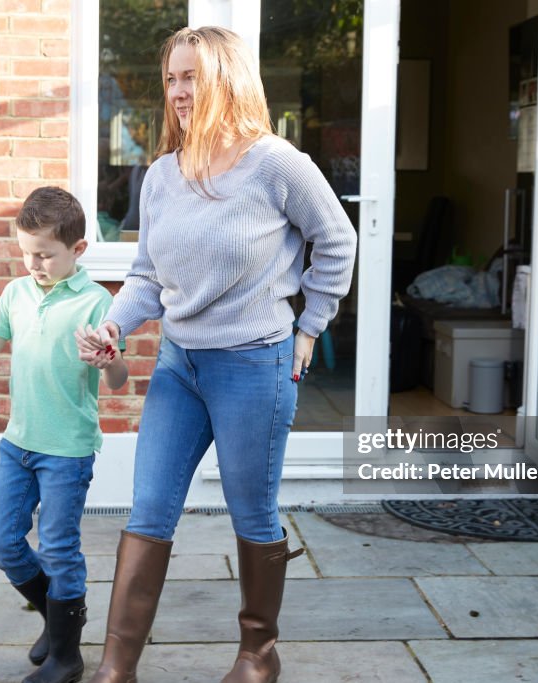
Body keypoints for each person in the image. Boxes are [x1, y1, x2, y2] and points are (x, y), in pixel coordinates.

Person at [75, 26, 357, 683]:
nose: (177, 90)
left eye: (191, 77)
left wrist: (311, 325)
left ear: (225, 81)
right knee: (148, 510)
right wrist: (114, 326)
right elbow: (147, 274)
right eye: (172, 77)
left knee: (251, 510)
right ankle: (116, 668)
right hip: (180, 364)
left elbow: (336, 239)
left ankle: (258, 653)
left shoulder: (273, 163)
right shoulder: (161, 176)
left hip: (254, 365)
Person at [0, 186, 127, 683]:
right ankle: (56, 622)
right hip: (18, 444)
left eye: (44, 255)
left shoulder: (96, 301)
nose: (33, 263)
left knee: (59, 548)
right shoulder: (15, 294)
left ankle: (67, 655)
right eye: (26, 253)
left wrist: (110, 360)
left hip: (67, 450)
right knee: (0, 540)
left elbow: (119, 379)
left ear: (77, 250)